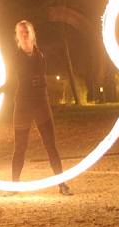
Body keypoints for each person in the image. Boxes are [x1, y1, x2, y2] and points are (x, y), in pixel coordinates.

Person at [9, 20, 72, 195]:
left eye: (26, 31)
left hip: (40, 103)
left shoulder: (40, 55)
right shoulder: (17, 57)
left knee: (50, 145)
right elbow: (27, 77)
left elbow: (38, 78)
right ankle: (14, 186)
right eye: (21, 32)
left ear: (32, 34)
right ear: (17, 37)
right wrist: (36, 81)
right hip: (23, 104)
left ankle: (61, 184)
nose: (24, 34)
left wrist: (37, 82)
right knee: (20, 147)